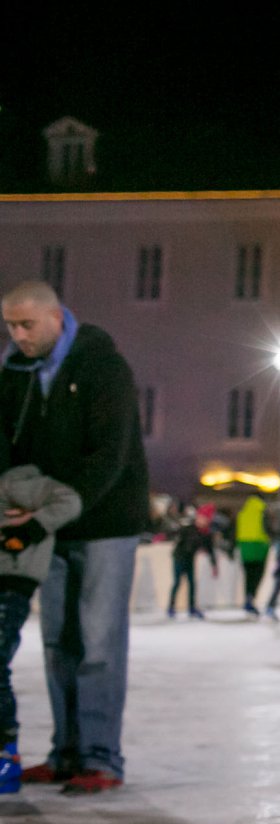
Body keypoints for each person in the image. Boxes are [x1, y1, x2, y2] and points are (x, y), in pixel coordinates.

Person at [0, 281, 150, 794]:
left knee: (99, 641)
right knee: (57, 641)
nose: (18, 336)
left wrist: (61, 506)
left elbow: (111, 453)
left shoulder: (103, 367)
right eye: (10, 326)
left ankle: (101, 757)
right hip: (47, 525)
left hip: (106, 524)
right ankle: (65, 753)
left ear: (56, 318)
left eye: (26, 325)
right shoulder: (14, 373)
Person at [0, 466, 82, 794]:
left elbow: (68, 501)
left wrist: (31, 528)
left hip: (9, 581)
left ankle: (5, 757)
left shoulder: (14, 481)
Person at [166, 502, 218, 618]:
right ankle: (171, 607)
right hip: (179, 557)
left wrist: (214, 565)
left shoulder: (205, 534)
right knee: (177, 582)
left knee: (192, 584)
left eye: (205, 519)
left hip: (189, 559)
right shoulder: (188, 528)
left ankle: (192, 607)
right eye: (201, 517)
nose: (202, 521)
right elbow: (178, 538)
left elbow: (210, 550)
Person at [234, 493, 271, 617]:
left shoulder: (242, 513)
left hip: (245, 548)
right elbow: (267, 529)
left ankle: (248, 599)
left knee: (248, 576)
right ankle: (251, 598)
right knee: (257, 575)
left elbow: (236, 530)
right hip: (259, 547)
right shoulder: (262, 511)